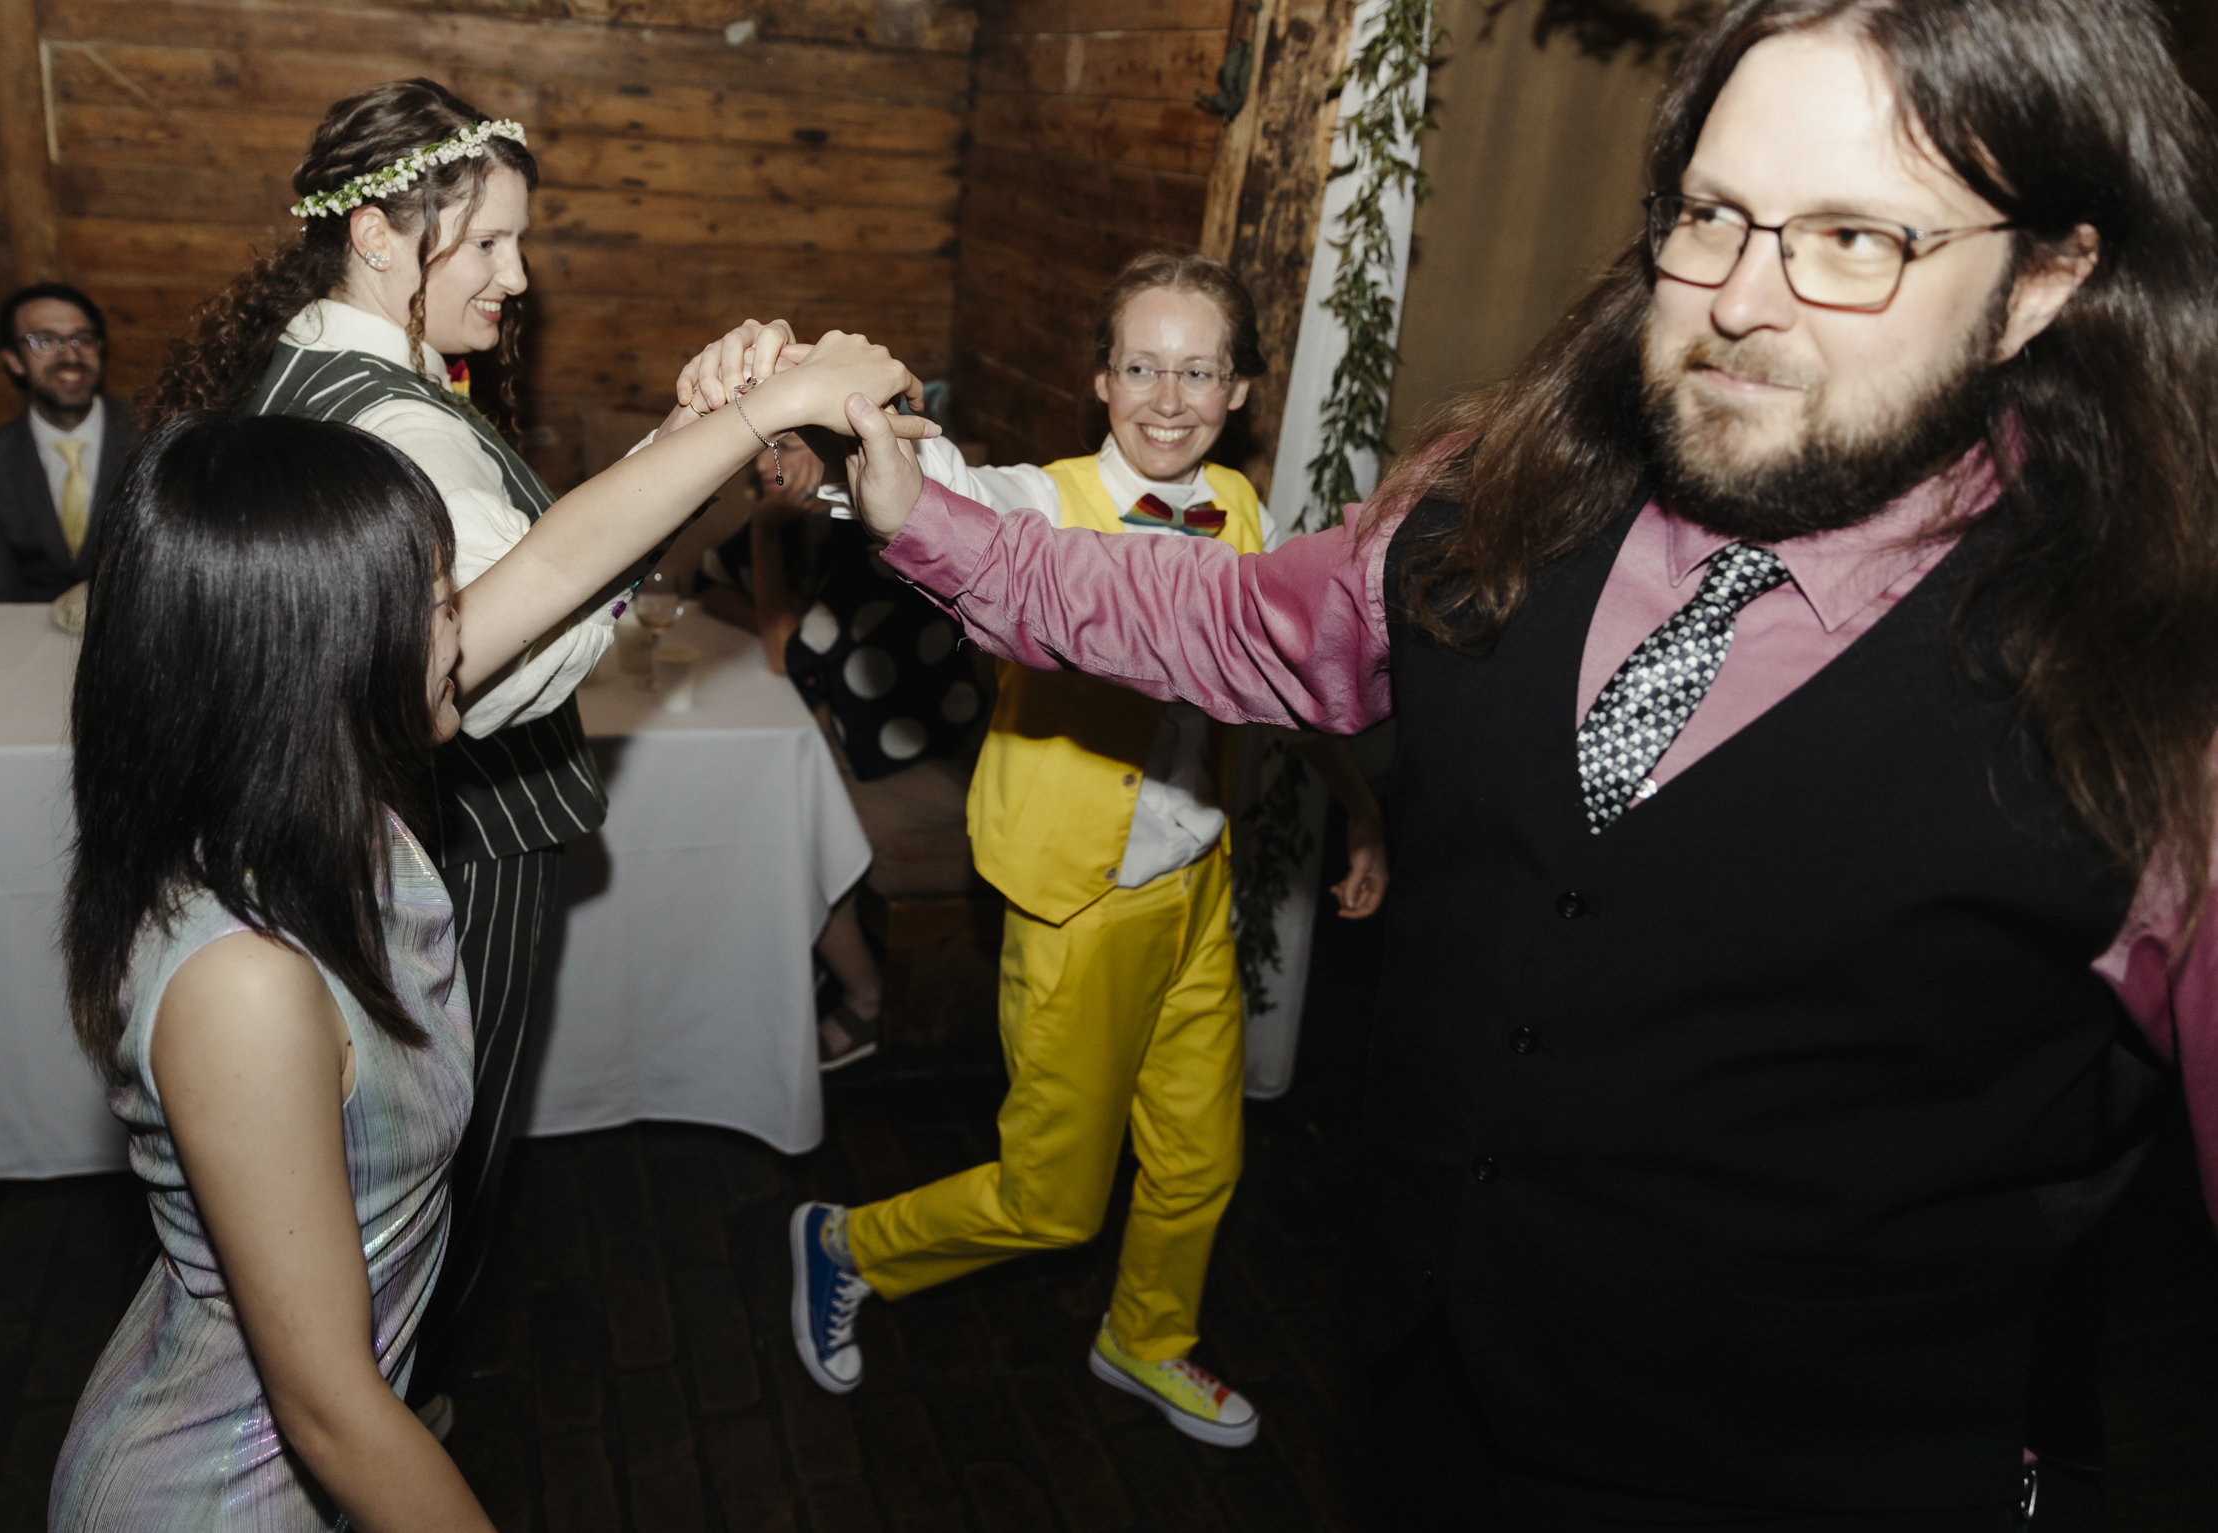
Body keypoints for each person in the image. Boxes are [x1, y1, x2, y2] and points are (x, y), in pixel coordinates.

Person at [839, 0, 2218, 1524]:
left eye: (1851, 240)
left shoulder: (2154, 701)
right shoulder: (1497, 503)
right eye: (1712, 215)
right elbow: (1227, 618)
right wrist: (926, 518)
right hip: (1429, 1398)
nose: (1743, 301)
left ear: (2041, 281)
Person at [145, 78, 931, 1419]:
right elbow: (507, 661)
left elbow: (552, 564)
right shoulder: (392, 424)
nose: (520, 275)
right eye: (492, 241)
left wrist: (690, 458)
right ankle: (408, 1401)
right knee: (450, 1156)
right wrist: (727, 431)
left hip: (366, 824)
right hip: (470, 837)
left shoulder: (332, 369)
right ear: (382, 234)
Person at [52, 338, 920, 1525]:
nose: (463, 626)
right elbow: (328, 1413)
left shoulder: (348, 799)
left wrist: (759, 406)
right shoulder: (241, 979)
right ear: (311, 660)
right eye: (428, 601)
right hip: (225, 1490)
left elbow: (561, 558)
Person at [771, 252, 1387, 1451]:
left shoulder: (1244, 515)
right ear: (1100, 382)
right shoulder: (1043, 502)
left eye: (1197, 370)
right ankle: (848, 1242)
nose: (1168, 398)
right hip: (1073, 899)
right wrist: (851, 444)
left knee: (1200, 1162)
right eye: (1142, 368)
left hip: (1193, 888)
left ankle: (1146, 1336)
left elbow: (1283, 688)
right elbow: (940, 488)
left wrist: (1358, 808)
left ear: (1240, 391)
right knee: (1051, 1204)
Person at [695, 430, 990, 1068]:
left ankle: (867, 996)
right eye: (768, 451)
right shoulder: (819, 521)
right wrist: (776, 587)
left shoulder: (873, 536)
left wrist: (766, 534)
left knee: (789, 830)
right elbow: (710, 581)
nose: (779, 464)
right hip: (865, 747)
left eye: (793, 446)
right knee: (747, 786)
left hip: (944, 766)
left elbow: (784, 655)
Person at [0, 282, 136, 602]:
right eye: (46, 341)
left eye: (83, 338)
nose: (70, 355)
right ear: (13, 360)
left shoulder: (152, 439)